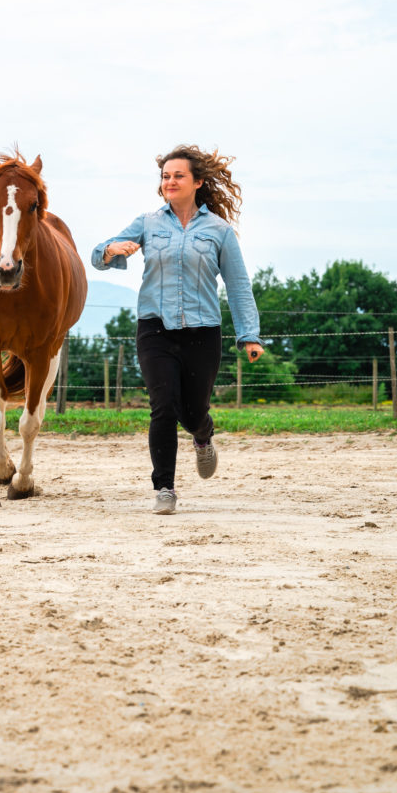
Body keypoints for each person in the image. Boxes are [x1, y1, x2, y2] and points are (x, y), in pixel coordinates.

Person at [92, 144, 264, 515]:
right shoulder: (148, 223)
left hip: (203, 333)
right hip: (155, 328)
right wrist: (111, 251)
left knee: (192, 411)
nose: (170, 181)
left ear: (197, 182)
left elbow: (238, 285)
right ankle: (165, 488)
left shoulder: (219, 231)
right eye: (165, 176)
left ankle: (203, 435)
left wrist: (248, 334)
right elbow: (98, 254)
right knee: (163, 407)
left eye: (178, 175)